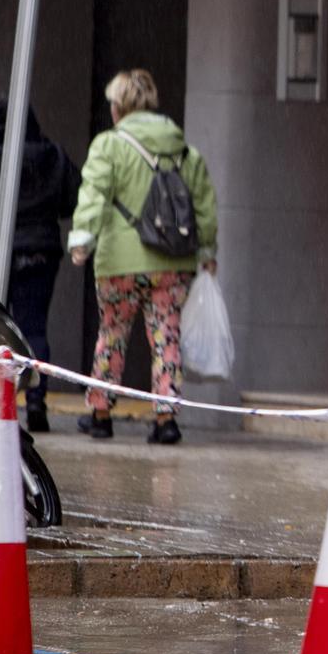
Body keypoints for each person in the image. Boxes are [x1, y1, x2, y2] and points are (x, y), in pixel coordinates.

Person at [67, 69, 218, 444]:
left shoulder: (109, 146)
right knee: (166, 336)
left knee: (112, 334)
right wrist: (208, 251)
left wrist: (82, 240)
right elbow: (204, 207)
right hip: (172, 263)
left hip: (119, 263)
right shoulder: (185, 151)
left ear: (119, 108)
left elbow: (94, 194)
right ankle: (166, 419)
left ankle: (101, 414)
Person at [0, 98, 82, 433]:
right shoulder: (52, 157)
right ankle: (37, 401)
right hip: (39, 255)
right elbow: (74, 196)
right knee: (34, 327)